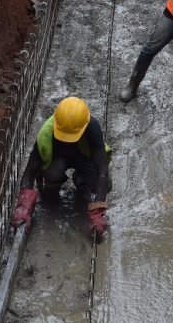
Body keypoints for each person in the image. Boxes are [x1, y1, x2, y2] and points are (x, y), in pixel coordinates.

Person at [11, 96, 112, 242]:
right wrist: (23, 207)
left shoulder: (92, 127)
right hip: (59, 159)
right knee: (52, 173)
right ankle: (53, 185)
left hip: (84, 158)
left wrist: (98, 210)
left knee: (104, 183)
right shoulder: (47, 132)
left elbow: (102, 168)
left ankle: (81, 182)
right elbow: (29, 173)